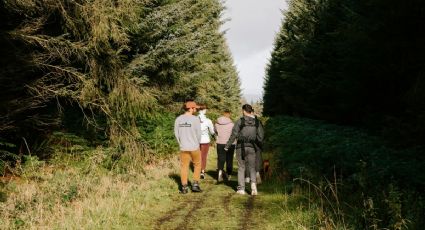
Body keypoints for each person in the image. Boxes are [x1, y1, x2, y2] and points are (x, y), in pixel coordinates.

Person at [225, 104, 264, 195]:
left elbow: (233, 135)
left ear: (243, 111)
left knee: (241, 167)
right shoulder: (257, 122)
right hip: (252, 147)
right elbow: (261, 137)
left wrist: (227, 146)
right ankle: (253, 185)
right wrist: (256, 143)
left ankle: (241, 189)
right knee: (252, 167)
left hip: (240, 147)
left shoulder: (240, 121)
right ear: (251, 111)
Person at [174, 100, 202, 194]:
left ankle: (184, 187)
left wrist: (181, 143)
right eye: (194, 108)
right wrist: (197, 143)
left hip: (183, 147)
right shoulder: (195, 119)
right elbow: (199, 134)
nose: (195, 109)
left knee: (184, 167)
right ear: (190, 108)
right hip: (194, 147)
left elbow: (176, 134)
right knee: (197, 165)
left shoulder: (178, 119)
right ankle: (195, 185)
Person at [214, 109, 236, 182]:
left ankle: (220, 173)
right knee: (229, 159)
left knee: (221, 159)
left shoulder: (217, 124)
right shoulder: (232, 124)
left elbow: (215, 132)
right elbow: (234, 134)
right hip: (230, 144)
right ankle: (229, 175)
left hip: (220, 143)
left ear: (223, 114)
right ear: (229, 115)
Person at [197, 104, 215, 179]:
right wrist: (215, 136)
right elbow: (212, 131)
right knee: (203, 157)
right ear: (204, 110)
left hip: (196, 140)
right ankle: (202, 171)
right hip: (205, 141)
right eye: (205, 109)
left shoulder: (194, 119)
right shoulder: (208, 121)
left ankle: (196, 170)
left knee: (197, 156)